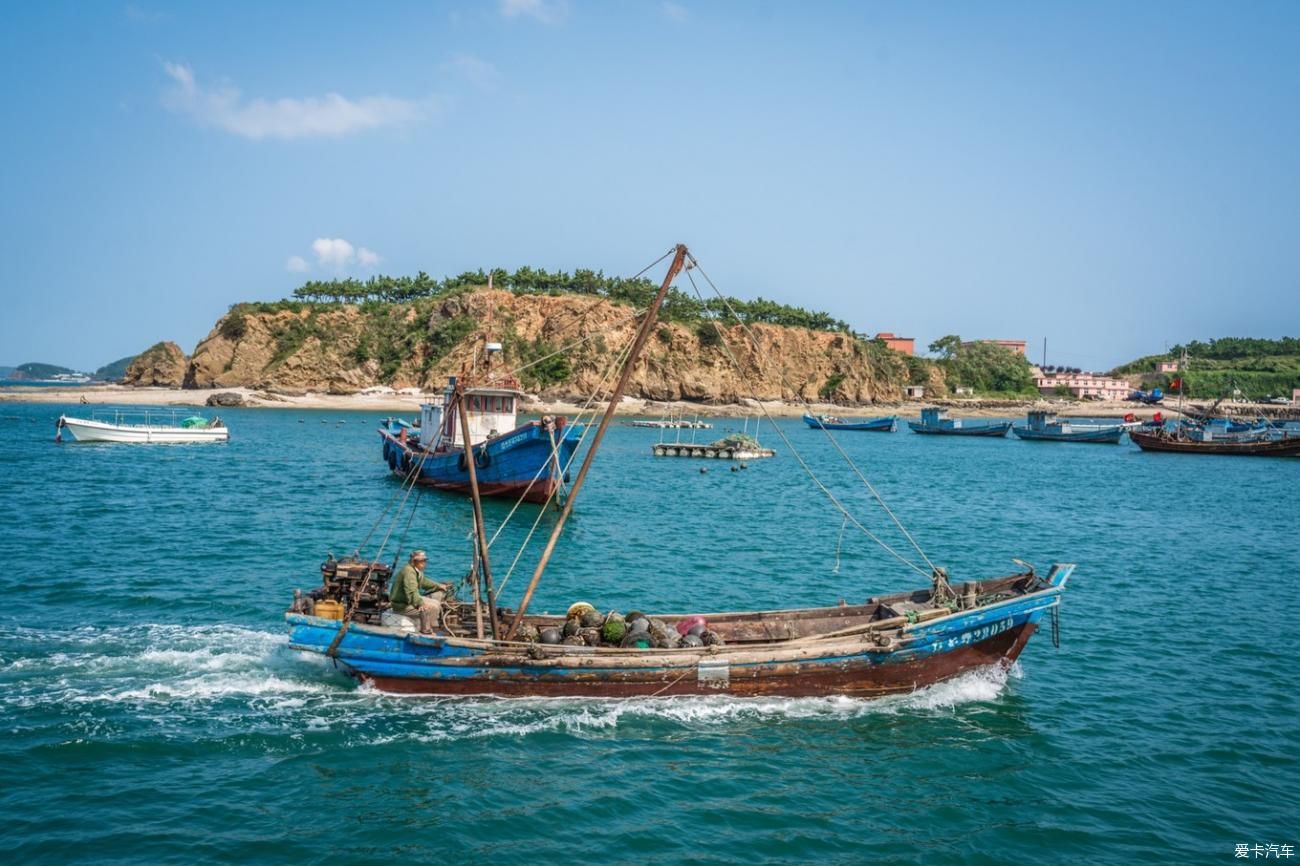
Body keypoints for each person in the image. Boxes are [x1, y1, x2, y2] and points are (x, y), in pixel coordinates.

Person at [389, 550, 452, 634]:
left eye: (424, 561)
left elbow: (424, 582)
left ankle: (430, 627)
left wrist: (438, 586)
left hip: (407, 600)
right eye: (421, 561)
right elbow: (411, 592)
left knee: (436, 603)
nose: (424, 563)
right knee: (429, 609)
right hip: (401, 605)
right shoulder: (409, 572)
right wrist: (420, 604)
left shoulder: (415, 570)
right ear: (414, 561)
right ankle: (425, 631)